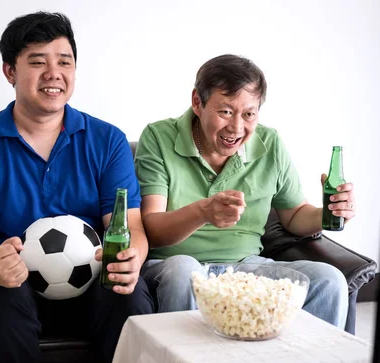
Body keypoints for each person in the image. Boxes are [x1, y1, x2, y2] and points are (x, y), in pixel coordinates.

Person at [0, 12, 153, 363]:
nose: (53, 73)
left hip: (91, 281)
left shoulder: (107, 140)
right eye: (37, 61)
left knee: (128, 291)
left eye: (64, 61)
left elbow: (131, 226)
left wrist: (132, 256)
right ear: (9, 71)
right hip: (12, 282)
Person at [133, 54, 356, 329]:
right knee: (183, 272)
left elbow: (295, 215)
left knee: (329, 280)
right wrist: (203, 211)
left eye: (249, 114)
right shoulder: (158, 137)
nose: (237, 128)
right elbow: (152, 228)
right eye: (225, 111)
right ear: (197, 102)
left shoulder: (270, 142)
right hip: (174, 264)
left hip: (244, 268)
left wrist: (329, 212)